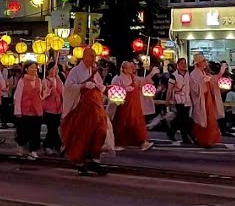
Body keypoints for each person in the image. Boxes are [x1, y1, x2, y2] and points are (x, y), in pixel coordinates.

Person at [61, 48, 110, 176]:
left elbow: (100, 85)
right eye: (91, 56)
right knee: (83, 135)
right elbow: (68, 87)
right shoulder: (75, 71)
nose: (93, 59)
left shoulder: (94, 71)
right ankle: (81, 163)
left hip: (96, 108)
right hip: (81, 109)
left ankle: (95, 160)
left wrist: (102, 88)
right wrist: (83, 86)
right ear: (84, 57)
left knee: (100, 132)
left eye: (94, 56)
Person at [111, 61, 153, 151]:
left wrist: (152, 73)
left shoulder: (134, 78)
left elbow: (144, 81)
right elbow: (112, 91)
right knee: (121, 124)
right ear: (124, 69)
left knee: (138, 123)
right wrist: (124, 89)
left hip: (135, 106)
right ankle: (117, 143)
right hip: (123, 107)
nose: (132, 69)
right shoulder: (117, 79)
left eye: (132, 67)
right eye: (130, 67)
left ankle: (143, 142)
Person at [188, 54, 224, 147]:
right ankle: (202, 139)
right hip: (201, 99)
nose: (205, 63)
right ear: (198, 63)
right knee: (202, 120)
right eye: (203, 61)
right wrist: (203, 82)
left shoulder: (203, 73)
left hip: (207, 99)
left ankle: (209, 139)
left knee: (209, 119)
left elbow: (212, 83)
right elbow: (195, 89)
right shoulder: (194, 74)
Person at [13, 62, 45, 159]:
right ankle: (20, 147)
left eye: (35, 68)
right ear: (26, 69)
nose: (34, 69)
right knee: (23, 131)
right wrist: (17, 111)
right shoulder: (22, 81)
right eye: (31, 67)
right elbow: (18, 97)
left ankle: (33, 150)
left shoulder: (39, 81)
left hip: (36, 110)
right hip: (25, 110)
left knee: (35, 132)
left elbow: (41, 95)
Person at [41, 60, 65, 154]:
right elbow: (43, 94)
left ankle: (48, 145)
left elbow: (63, 93)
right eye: (53, 69)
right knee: (52, 128)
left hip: (58, 108)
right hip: (48, 108)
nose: (55, 70)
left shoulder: (59, 80)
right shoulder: (45, 80)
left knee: (53, 128)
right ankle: (59, 145)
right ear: (48, 70)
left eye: (57, 69)